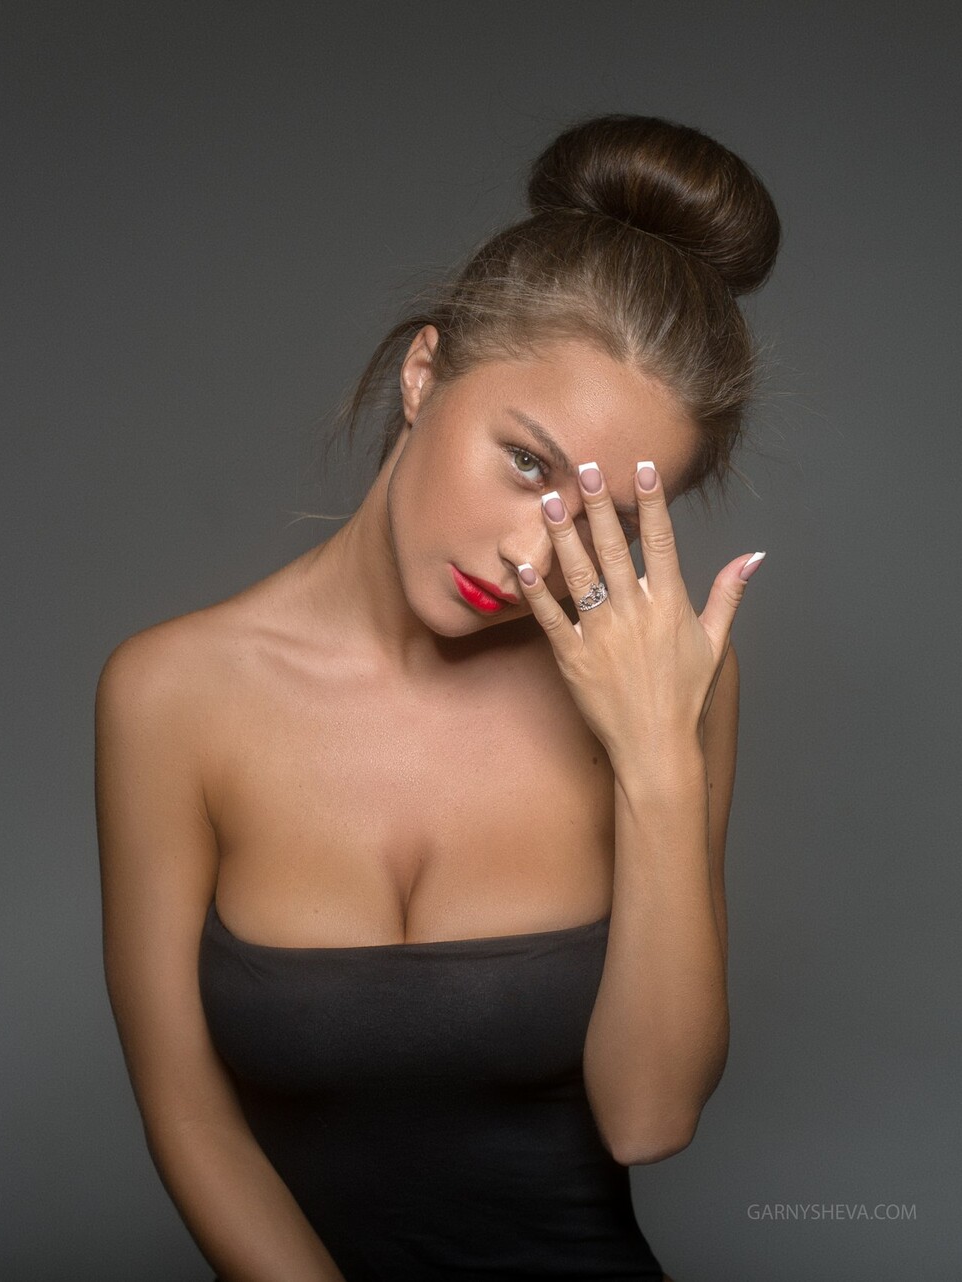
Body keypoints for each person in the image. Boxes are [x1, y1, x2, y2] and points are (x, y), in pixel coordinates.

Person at [96, 112, 778, 1282]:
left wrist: (657, 757)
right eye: (527, 463)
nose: (532, 553)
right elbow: (190, 1116)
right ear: (425, 373)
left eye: (605, 520)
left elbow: (649, 1116)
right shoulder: (172, 694)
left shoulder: (670, 689)